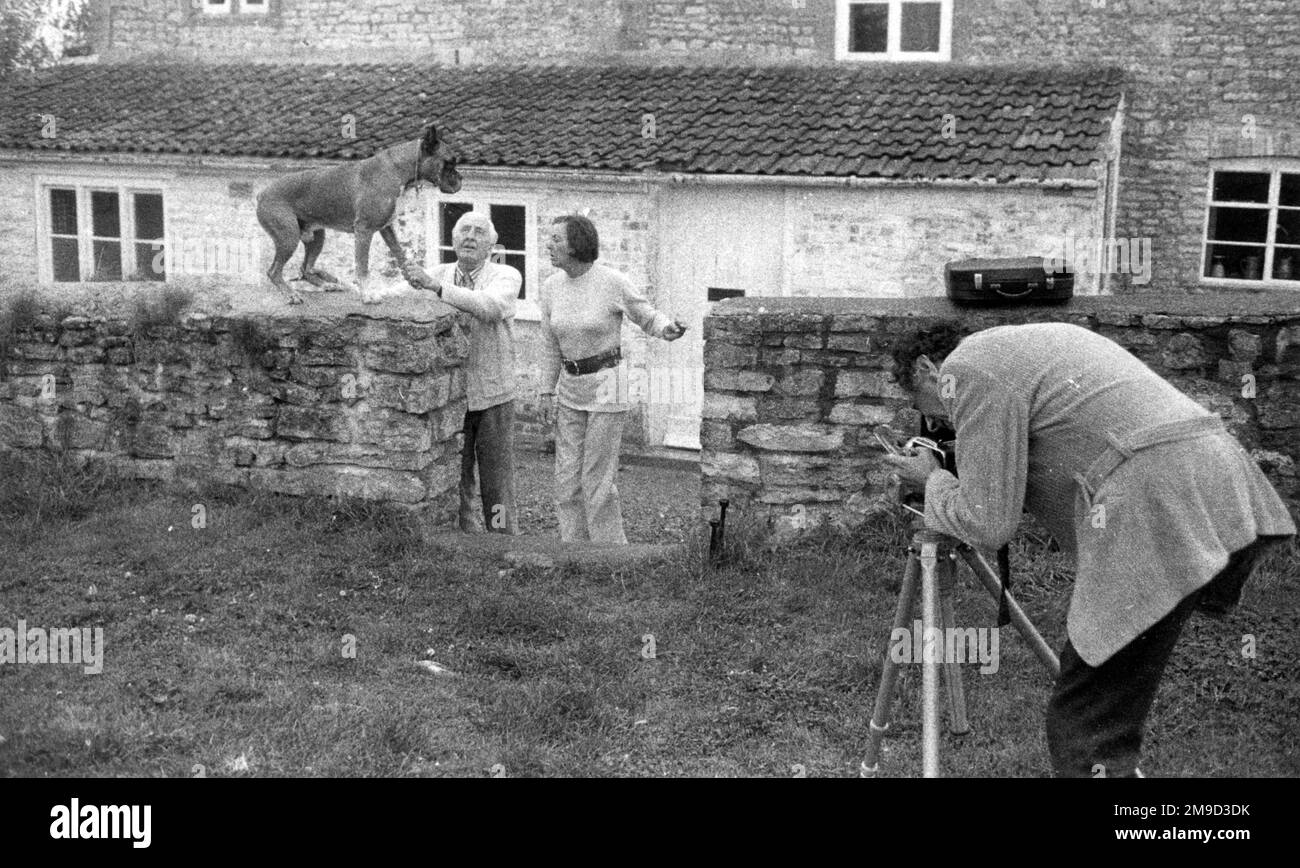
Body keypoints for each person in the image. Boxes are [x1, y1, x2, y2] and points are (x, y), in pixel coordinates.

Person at [882, 321, 1296, 777]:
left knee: (1087, 720)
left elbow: (989, 523)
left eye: (926, 407)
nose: (939, 421)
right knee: (1107, 702)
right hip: (1217, 486)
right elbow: (1067, 436)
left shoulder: (967, 369)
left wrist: (932, 481)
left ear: (927, 368)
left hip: (1153, 505)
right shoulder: (1021, 346)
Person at [539, 214, 687, 544]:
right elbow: (550, 343)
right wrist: (545, 391)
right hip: (571, 387)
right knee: (566, 477)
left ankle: (609, 554)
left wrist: (667, 329)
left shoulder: (612, 281)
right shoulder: (550, 288)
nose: (549, 246)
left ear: (576, 244)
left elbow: (646, 315)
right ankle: (574, 550)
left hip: (609, 384)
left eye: (556, 240)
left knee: (596, 478)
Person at [401, 211, 521, 534]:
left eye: (479, 232)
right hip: (450, 397)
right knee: (457, 477)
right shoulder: (437, 274)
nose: (470, 236)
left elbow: (489, 307)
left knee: (496, 484)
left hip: (493, 395)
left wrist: (437, 289)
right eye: (464, 230)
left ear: (492, 244)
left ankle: (502, 541)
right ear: (453, 240)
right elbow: (392, 298)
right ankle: (469, 543)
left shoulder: (505, 275)